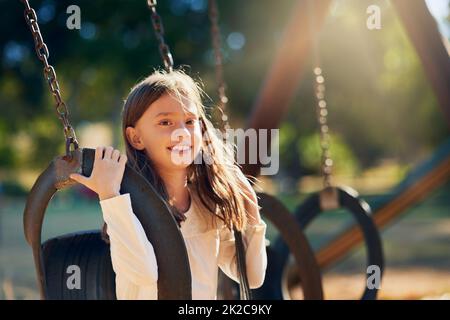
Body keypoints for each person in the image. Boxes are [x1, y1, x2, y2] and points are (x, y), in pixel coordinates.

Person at [70, 69, 267, 299]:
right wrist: (110, 196)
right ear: (136, 138)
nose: (182, 132)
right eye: (165, 122)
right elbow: (145, 274)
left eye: (190, 121)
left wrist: (251, 209)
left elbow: (252, 277)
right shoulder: (129, 207)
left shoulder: (206, 202)